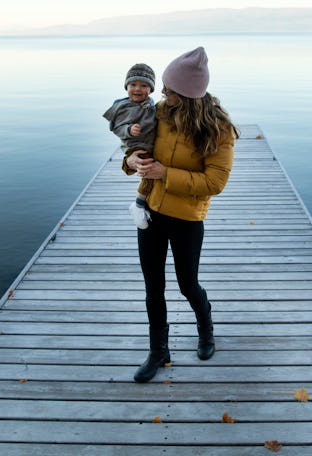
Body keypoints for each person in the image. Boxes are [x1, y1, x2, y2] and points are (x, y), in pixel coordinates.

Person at [124, 47, 240, 383]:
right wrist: (131, 163)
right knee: (153, 286)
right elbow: (134, 150)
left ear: (187, 94)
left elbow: (215, 181)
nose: (162, 94)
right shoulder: (157, 113)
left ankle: (206, 329)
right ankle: (159, 350)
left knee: (187, 284)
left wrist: (165, 174)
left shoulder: (218, 129)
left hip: (187, 218)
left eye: (169, 90)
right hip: (150, 214)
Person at [103, 63, 157, 229]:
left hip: (149, 142)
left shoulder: (150, 104)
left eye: (143, 85)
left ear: (151, 89)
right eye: (133, 84)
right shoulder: (123, 106)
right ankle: (138, 205)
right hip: (135, 145)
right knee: (148, 172)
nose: (137, 89)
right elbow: (115, 128)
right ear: (127, 86)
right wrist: (128, 129)